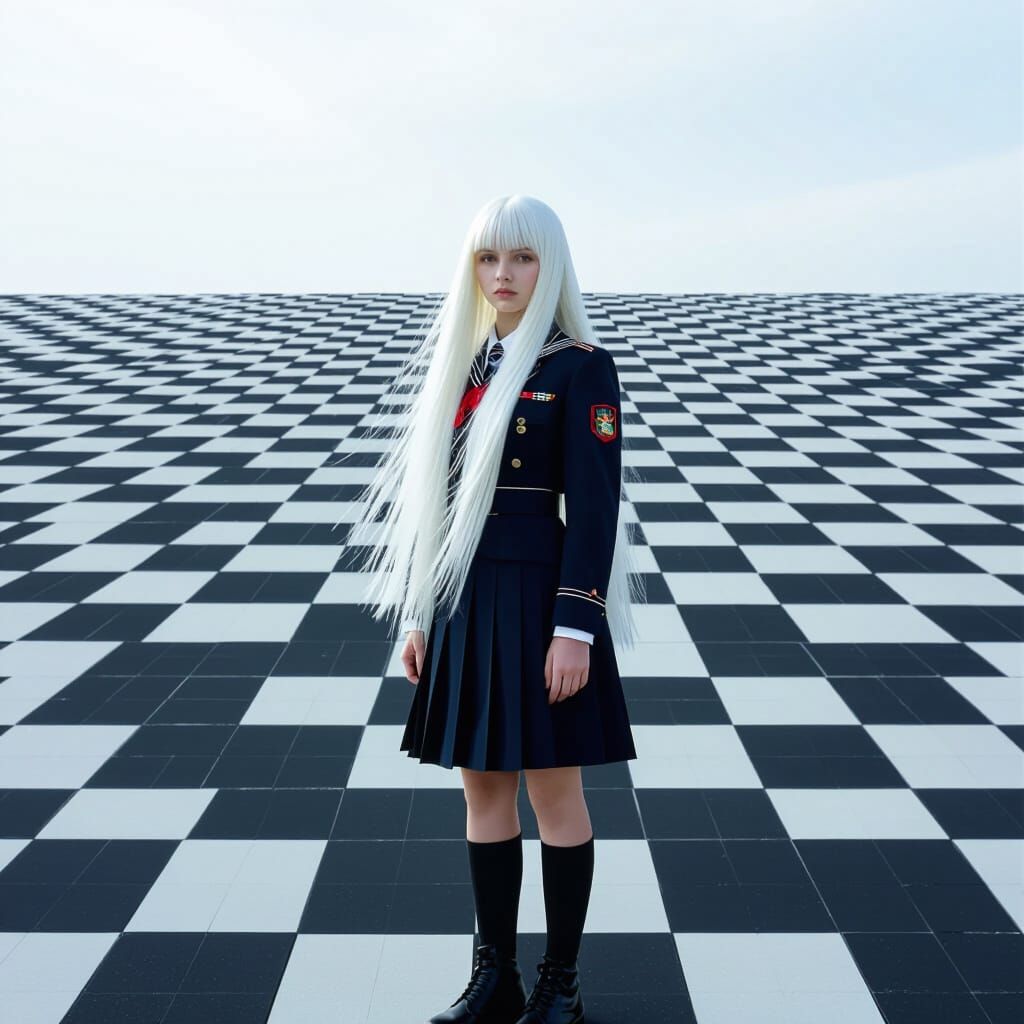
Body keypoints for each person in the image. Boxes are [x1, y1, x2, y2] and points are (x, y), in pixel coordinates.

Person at [338, 194, 644, 1024]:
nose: (502, 276)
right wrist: (417, 615)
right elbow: (437, 508)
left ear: (550, 266)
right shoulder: (467, 365)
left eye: (522, 259)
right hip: (464, 601)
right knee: (482, 789)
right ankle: (495, 976)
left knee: (555, 791)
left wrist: (575, 625)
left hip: (543, 599)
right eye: (488, 259)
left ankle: (562, 984)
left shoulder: (580, 366)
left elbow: (596, 506)